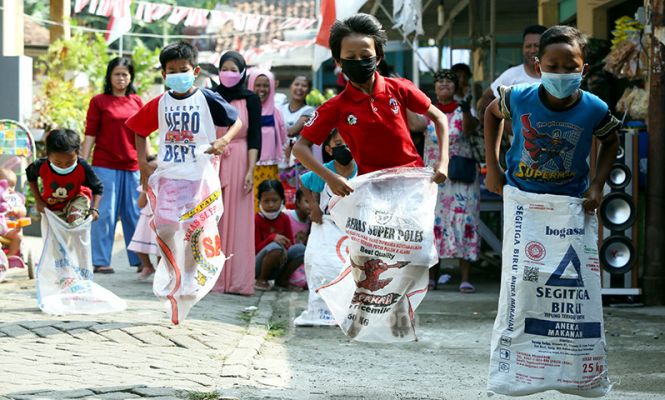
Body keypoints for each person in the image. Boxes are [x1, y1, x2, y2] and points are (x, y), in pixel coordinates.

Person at [125, 42, 241, 288]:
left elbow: (237, 121)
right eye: (172, 71)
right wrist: (143, 165)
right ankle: (172, 270)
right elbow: (138, 129)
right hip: (169, 175)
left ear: (195, 71)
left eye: (183, 69)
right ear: (164, 75)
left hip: (199, 177)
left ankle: (189, 275)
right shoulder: (160, 102)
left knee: (193, 229)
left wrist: (224, 140)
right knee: (165, 226)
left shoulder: (207, 98)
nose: (178, 75)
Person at [293, 13, 449, 195]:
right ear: (338, 62)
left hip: (413, 184)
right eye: (351, 57)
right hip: (371, 191)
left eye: (365, 55)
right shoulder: (336, 106)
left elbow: (439, 117)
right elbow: (300, 147)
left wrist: (443, 160)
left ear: (378, 58)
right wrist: (330, 177)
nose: (358, 61)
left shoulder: (400, 88)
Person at [484, 25, 620, 210]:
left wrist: (597, 185)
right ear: (538, 68)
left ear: (584, 70)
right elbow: (491, 113)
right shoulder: (518, 97)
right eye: (553, 67)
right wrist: (493, 168)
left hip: (571, 203)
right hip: (521, 199)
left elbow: (611, 141)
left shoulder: (594, 108)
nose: (561, 74)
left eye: (571, 67)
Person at [81, 57, 144, 274]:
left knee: (134, 213)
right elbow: (90, 133)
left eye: (125, 74)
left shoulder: (137, 101)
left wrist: (148, 161)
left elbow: (142, 134)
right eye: (117, 73)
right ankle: (101, 261)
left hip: (132, 164)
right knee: (104, 213)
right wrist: (81, 163)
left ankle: (140, 261)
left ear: (130, 77)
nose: (121, 78)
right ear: (109, 76)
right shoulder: (99, 101)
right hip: (104, 164)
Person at [424, 70, 481, 293]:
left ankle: (465, 277)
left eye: (449, 81)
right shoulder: (427, 111)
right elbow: (415, 125)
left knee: (464, 221)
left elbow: (468, 129)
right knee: (433, 223)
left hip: (461, 177)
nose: (444, 85)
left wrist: (466, 110)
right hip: (435, 177)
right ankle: (432, 276)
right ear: (434, 87)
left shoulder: (464, 109)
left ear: (456, 86)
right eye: (440, 82)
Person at [212, 51, 262, 295]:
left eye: (233, 69)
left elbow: (255, 137)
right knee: (213, 219)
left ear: (242, 72)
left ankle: (238, 280)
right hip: (213, 158)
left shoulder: (251, 99)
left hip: (241, 159)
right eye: (224, 68)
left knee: (240, 221)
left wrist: (251, 170)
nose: (228, 73)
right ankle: (213, 278)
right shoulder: (210, 96)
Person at [26, 129, 103, 228]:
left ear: (77, 154)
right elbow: (30, 175)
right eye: (58, 163)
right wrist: (38, 200)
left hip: (77, 199)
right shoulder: (41, 165)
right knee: (57, 231)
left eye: (69, 162)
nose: (64, 167)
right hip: (52, 205)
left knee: (75, 221)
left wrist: (95, 208)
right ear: (48, 156)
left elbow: (98, 187)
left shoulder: (82, 167)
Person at [478, 25, 547, 120]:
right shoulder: (512, 74)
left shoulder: (555, 76)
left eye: (536, 46)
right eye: (528, 46)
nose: (532, 50)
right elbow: (487, 97)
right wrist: (508, 126)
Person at [248, 68, 288, 211]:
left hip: (269, 168)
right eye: (257, 85)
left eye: (266, 85)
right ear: (251, 85)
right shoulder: (244, 110)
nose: (262, 89)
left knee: (269, 205)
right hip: (248, 167)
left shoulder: (275, 112)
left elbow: (284, 138)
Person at [255, 179, 305, 291]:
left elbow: (291, 244)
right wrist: (272, 238)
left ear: (282, 200)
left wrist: (284, 249)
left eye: (274, 200)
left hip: (280, 260)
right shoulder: (256, 219)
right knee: (275, 247)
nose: (271, 205)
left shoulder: (284, 218)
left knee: (300, 249)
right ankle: (261, 280)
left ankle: (282, 280)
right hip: (258, 264)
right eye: (266, 201)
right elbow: (255, 249)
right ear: (259, 202)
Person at [300, 129, 358, 224]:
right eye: (338, 144)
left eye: (349, 142)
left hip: (356, 227)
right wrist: (314, 205)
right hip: (330, 226)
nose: (345, 147)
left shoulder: (362, 169)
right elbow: (303, 182)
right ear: (329, 150)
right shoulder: (324, 171)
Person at [128, 155, 158, 281]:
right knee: (137, 246)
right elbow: (140, 204)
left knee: (159, 249)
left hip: (159, 220)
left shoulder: (167, 185)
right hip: (146, 220)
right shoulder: (146, 185)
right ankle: (148, 266)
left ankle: (162, 270)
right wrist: (145, 191)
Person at [0, 168, 26, 260]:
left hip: (9, 230)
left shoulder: (15, 198)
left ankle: (9, 256)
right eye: (7, 185)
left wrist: (17, 210)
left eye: (13, 186)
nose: (10, 189)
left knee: (18, 237)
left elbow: (23, 211)